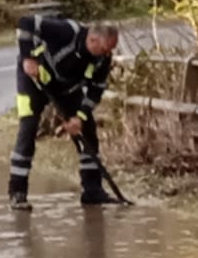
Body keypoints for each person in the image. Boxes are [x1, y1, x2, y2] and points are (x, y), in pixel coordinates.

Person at [8, 15, 120, 210]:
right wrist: (27, 58)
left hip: (66, 90)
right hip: (33, 80)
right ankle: (17, 193)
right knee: (28, 129)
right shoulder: (66, 32)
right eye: (103, 49)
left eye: (109, 50)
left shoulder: (103, 58)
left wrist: (80, 116)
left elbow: (96, 90)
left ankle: (92, 191)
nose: (106, 54)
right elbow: (25, 22)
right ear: (92, 39)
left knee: (88, 133)